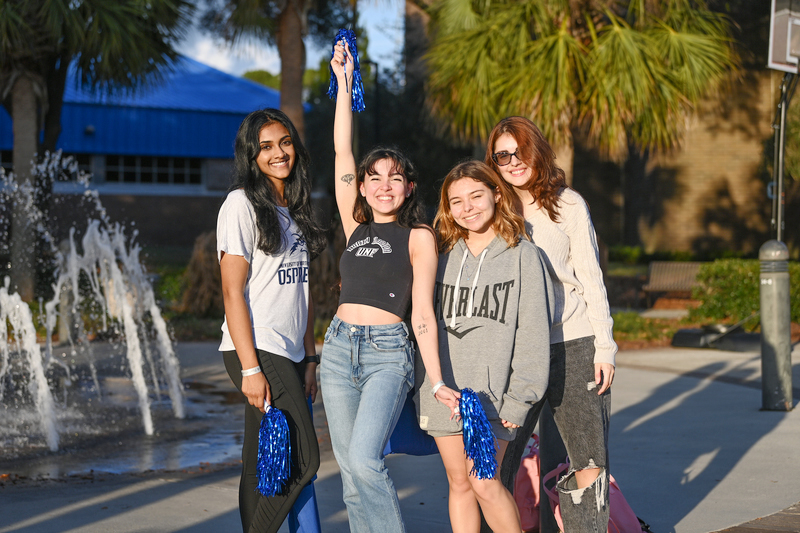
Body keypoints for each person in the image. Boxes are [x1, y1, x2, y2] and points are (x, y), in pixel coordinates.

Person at [321, 40, 460, 533]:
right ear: (360, 186)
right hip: (337, 350)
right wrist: (343, 82)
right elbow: (342, 148)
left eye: (395, 178)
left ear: (409, 188)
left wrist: (438, 380)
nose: (384, 185)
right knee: (351, 475)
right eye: (374, 177)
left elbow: (423, 312)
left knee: (364, 459)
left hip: (387, 354)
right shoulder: (355, 226)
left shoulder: (419, 237)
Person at [486, 116, 617, 530]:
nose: (513, 162)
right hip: (516, 352)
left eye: (519, 150)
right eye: (502, 155)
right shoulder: (492, 210)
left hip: (572, 344)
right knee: (498, 462)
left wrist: (605, 348)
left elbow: (591, 280)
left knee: (586, 462)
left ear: (535, 149)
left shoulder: (568, 205)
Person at [416, 160, 553, 533]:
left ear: (496, 194)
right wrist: (428, 384)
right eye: (456, 201)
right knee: (459, 484)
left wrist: (521, 396)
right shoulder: (439, 255)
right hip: (444, 394)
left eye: (476, 196)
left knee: (484, 482)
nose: (468, 208)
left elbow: (533, 333)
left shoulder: (524, 255)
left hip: (493, 398)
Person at [217, 108, 327, 533]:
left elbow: (302, 291)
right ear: (251, 155)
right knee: (305, 459)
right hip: (257, 348)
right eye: (265, 146)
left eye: (284, 142)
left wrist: (311, 358)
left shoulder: (292, 206)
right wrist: (250, 368)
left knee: (258, 460)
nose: (279, 153)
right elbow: (231, 291)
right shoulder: (240, 203)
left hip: (290, 351)